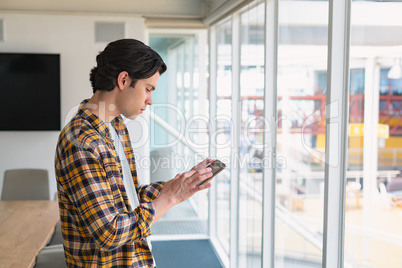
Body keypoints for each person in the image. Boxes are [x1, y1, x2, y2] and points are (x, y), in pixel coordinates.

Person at [54, 38, 213, 268]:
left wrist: (181, 184)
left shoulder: (116, 126)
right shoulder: (81, 142)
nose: (150, 100)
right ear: (123, 79)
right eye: (148, 89)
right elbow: (110, 233)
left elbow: (125, 197)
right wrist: (171, 197)